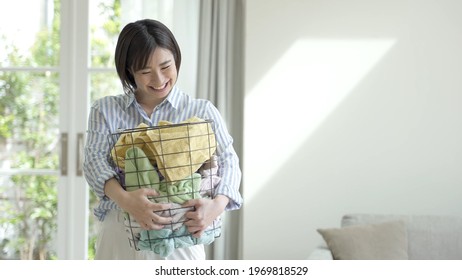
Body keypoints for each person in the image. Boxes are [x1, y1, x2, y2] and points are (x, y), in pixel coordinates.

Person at [83, 19, 243, 260]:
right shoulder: (105, 109)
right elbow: (93, 162)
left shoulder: (202, 111)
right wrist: (127, 201)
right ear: (129, 71)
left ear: (176, 59)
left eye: (166, 66)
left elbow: (229, 160)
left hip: (183, 235)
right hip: (121, 236)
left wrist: (216, 206)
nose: (158, 80)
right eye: (145, 72)